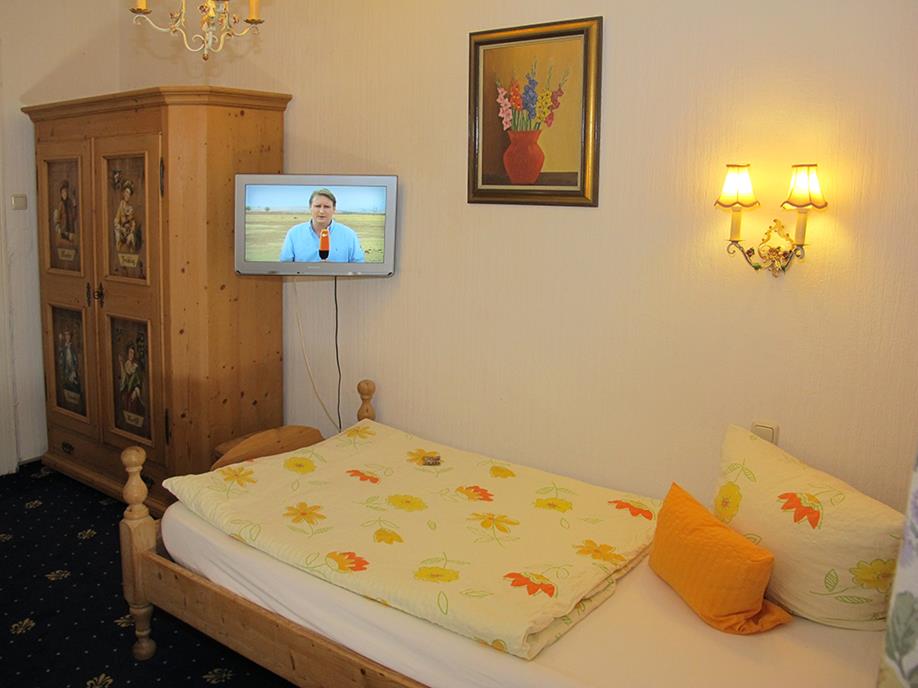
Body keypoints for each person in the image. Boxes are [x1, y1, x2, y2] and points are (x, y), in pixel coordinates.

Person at [279, 188, 365, 263]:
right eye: (317, 206)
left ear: (334, 209)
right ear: (310, 207)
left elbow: (358, 266)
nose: (321, 211)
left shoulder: (349, 235)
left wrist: (336, 269)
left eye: (326, 207)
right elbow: (285, 266)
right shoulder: (294, 234)